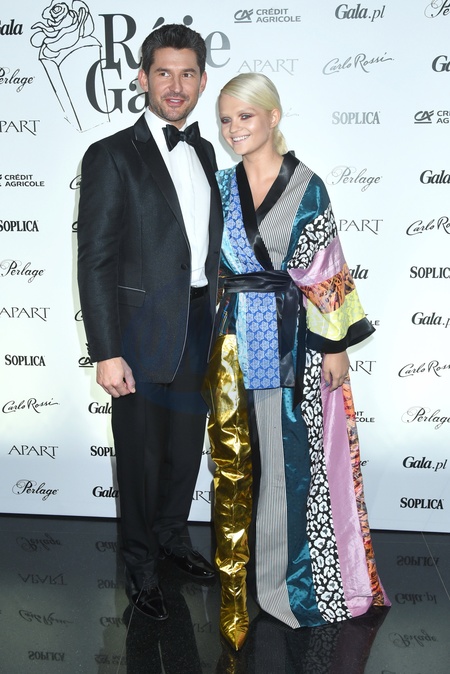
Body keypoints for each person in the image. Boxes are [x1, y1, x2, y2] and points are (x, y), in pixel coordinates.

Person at [203, 73, 390, 650]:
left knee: (290, 465)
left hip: (294, 343)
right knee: (239, 467)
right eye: (226, 119)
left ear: (274, 116)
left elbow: (326, 270)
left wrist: (335, 345)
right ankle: (244, 588)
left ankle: (288, 589)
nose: (234, 129)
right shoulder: (220, 184)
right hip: (235, 339)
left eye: (246, 117)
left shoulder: (307, 185)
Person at [77, 24, 223, 621]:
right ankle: (139, 564)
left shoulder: (207, 152)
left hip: (198, 321)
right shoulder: (111, 154)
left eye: (187, 74)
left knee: (185, 448)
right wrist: (105, 350)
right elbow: (96, 259)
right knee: (139, 454)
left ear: (203, 81)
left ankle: (172, 539)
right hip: (137, 333)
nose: (175, 85)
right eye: (164, 72)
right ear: (142, 78)